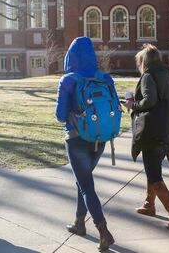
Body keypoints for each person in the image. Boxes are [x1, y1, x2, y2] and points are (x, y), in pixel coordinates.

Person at [55, 36, 116, 251]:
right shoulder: (105, 79)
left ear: (71, 56)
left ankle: (103, 231)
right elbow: (114, 108)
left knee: (86, 186)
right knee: (83, 181)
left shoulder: (68, 80)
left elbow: (60, 116)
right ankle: (79, 223)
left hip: (76, 139)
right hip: (100, 138)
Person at [127, 44, 169, 230]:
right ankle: (149, 204)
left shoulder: (148, 76)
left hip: (153, 132)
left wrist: (132, 105)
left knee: (154, 175)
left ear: (144, 61)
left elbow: (148, 101)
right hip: (168, 131)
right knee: (152, 169)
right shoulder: (168, 77)